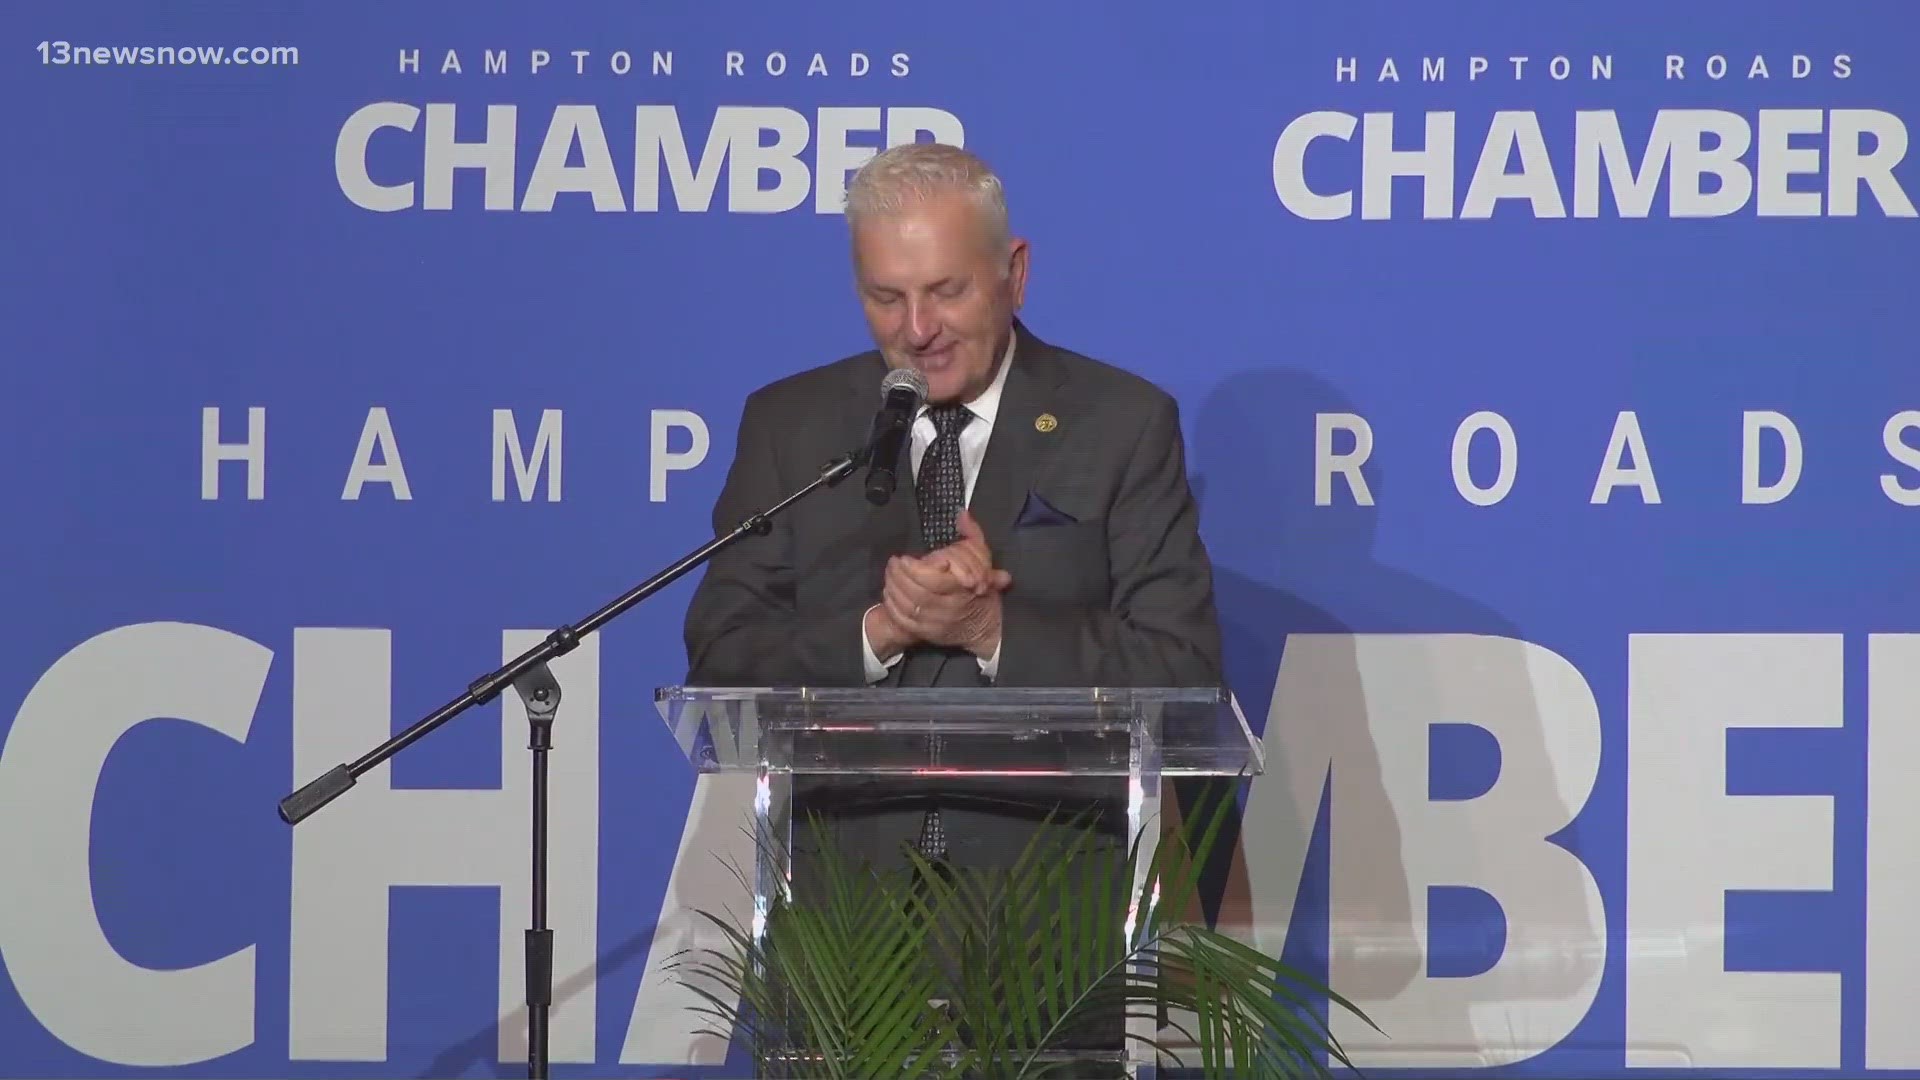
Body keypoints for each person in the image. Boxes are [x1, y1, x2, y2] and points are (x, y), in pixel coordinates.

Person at [681, 141, 1228, 1059]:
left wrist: (994, 629)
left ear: (1014, 274)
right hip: (841, 934)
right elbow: (722, 655)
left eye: (947, 291)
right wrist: (878, 630)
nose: (917, 328)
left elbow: (1184, 669)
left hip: (1048, 933)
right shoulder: (793, 427)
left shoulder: (1120, 425)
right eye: (885, 298)